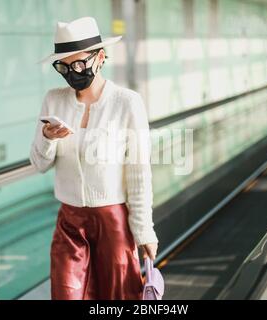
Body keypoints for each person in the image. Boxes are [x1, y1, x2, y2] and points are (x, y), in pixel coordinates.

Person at [30, 16, 159, 300]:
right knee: (66, 293)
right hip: (69, 222)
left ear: (100, 58)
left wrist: (144, 231)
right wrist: (48, 137)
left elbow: (139, 172)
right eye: (63, 67)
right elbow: (39, 164)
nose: (72, 73)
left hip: (113, 221)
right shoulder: (54, 99)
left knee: (119, 296)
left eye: (78, 64)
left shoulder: (127, 102)